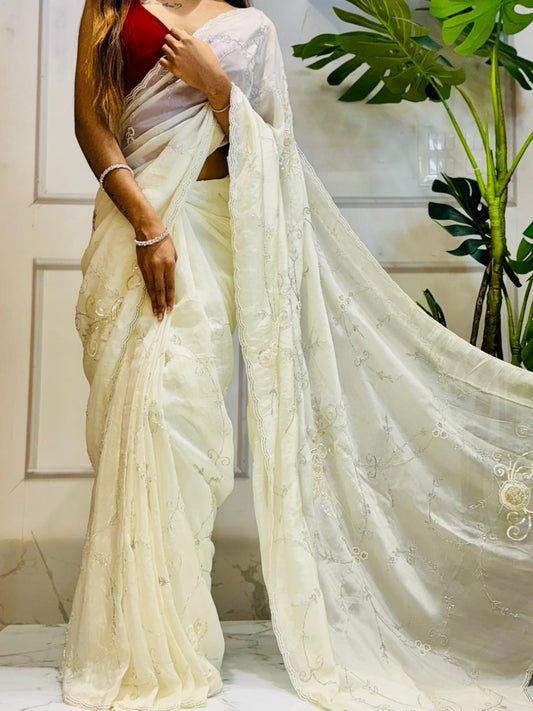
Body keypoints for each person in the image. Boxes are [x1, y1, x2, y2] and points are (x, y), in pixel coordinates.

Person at [62, 1, 533, 709]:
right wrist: (147, 223)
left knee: (178, 421)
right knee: (138, 418)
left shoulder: (247, 29)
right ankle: (126, 643)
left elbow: (274, 154)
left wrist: (216, 85)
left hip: (211, 231)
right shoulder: (109, 6)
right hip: (139, 229)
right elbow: (90, 121)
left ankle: (175, 638)